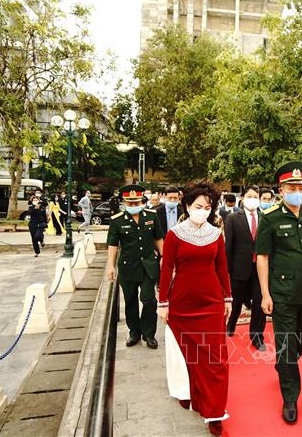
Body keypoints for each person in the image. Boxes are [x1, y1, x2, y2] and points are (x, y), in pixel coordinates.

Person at [255, 161, 302, 424]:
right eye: (291, 187)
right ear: (281, 189)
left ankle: (285, 364)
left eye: (301, 186)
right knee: (286, 346)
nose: (297, 190)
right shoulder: (270, 216)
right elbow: (262, 256)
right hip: (282, 291)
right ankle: (290, 397)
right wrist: (265, 294)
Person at [157, 182, 231, 436]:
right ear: (187, 206)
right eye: (198, 206)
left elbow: (222, 268)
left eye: (208, 207)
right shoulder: (174, 234)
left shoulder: (215, 234)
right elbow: (167, 269)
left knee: (216, 360)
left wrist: (228, 298)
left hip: (211, 302)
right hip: (182, 303)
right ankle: (190, 393)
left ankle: (215, 412)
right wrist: (163, 302)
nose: (203, 211)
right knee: (189, 356)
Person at [106, 185, 164, 350]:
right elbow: (112, 244)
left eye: (136, 203)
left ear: (142, 201)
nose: (133, 206)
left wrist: (164, 257)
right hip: (128, 267)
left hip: (148, 265)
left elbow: (158, 238)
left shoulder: (152, 216)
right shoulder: (117, 220)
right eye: (129, 204)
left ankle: (149, 333)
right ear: (125, 203)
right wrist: (110, 266)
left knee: (149, 299)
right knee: (130, 300)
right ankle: (134, 332)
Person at [225, 185, 267, 351]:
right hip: (239, 268)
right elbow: (228, 247)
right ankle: (231, 323)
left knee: (259, 302)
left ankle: (257, 337)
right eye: (249, 196)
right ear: (243, 198)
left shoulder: (265, 217)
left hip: (260, 269)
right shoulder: (234, 218)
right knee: (236, 301)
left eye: (255, 196)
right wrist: (228, 272)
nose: (253, 199)